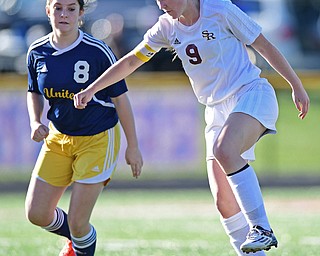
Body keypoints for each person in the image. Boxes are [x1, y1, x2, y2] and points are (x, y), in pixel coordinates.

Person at [73, 0, 310, 255]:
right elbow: (131, 61)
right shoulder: (166, 27)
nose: (162, 4)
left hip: (250, 93)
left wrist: (296, 85)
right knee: (224, 203)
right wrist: (92, 89)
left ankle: (262, 228)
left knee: (225, 150)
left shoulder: (220, 9)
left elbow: (263, 45)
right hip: (215, 110)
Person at [25, 0, 143, 255]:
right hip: (58, 138)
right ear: (48, 11)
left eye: (70, 8)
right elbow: (33, 91)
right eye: (58, 8)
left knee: (79, 223)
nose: (64, 14)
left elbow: (120, 99)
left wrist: (133, 146)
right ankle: (78, 239)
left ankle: (79, 242)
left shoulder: (97, 51)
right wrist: (35, 121)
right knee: (36, 214)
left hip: (97, 139)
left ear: (80, 13)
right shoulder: (36, 50)